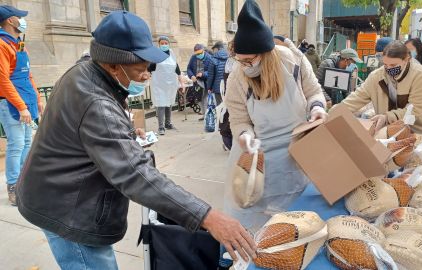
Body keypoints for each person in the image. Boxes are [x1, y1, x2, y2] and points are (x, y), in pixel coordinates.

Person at [16, 11, 256, 269]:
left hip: (57, 193)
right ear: (112, 65)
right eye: (140, 69)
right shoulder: (97, 103)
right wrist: (208, 217)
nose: (147, 76)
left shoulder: (88, 71)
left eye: (148, 68)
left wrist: (124, 132)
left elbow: (89, 129)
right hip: (66, 211)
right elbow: (135, 174)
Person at [225, 0, 327, 238]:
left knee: (293, 223)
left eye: (249, 61)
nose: (245, 66)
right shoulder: (237, 78)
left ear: (265, 55)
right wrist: (245, 137)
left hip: (296, 154)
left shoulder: (293, 61)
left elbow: (313, 91)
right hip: (258, 160)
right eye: (240, 61)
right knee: (256, 227)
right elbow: (239, 119)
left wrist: (317, 108)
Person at [340, 41, 422, 139]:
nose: (389, 69)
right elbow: (357, 97)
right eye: (386, 64)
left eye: (393, 65)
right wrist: (333, 113)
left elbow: (416, 108)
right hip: (400, 132)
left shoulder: (420, 75)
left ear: (406, 59)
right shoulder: (376, 76)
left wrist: (387, 117)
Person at [0, 5, 43, 206]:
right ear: (10, 20)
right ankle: (13, 187)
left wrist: (37, 99)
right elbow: (3, 80)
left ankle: (25, 183)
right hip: (11, 104)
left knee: (26, 143)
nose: (23, 20)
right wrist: (21, 106)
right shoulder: (1, 44)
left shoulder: (17, 44)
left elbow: (27, 75)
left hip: (25, 102)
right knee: (16, 145)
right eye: (19, 17)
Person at [149, 35, 184, 135]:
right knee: (161, 105)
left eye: (166, 43)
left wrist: (182, 84)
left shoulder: (172, 54)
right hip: (159, 85)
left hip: (170, 86)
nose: (164, 45)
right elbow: (148, 69)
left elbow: (177, 70)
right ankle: (161, 127)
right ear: (159, 44)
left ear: (169, 44)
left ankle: (168, 123)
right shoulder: (155, 56)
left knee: (168, 104)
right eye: (162, 43)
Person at [187, 44, 212, 121]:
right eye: (197, 53)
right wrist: (191, 76)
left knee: (205, 98)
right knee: (199, 98)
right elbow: (189, 68)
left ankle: (207, 115)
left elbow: (211, 71)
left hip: (206, 81)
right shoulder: (193, 58)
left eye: (200, 53)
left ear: (203, 51)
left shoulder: (209, 58)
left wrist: (203, 74)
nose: (198, 55)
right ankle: (204, 114)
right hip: (196, 81)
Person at [206, 41, 228, 106]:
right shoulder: (229, 57)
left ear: (217, 48)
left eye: (213, 49)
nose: (213, 51)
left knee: (220, 107)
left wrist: (209, 87)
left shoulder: (213, 59)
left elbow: (210, 76)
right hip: (229, 86)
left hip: (218, 88)